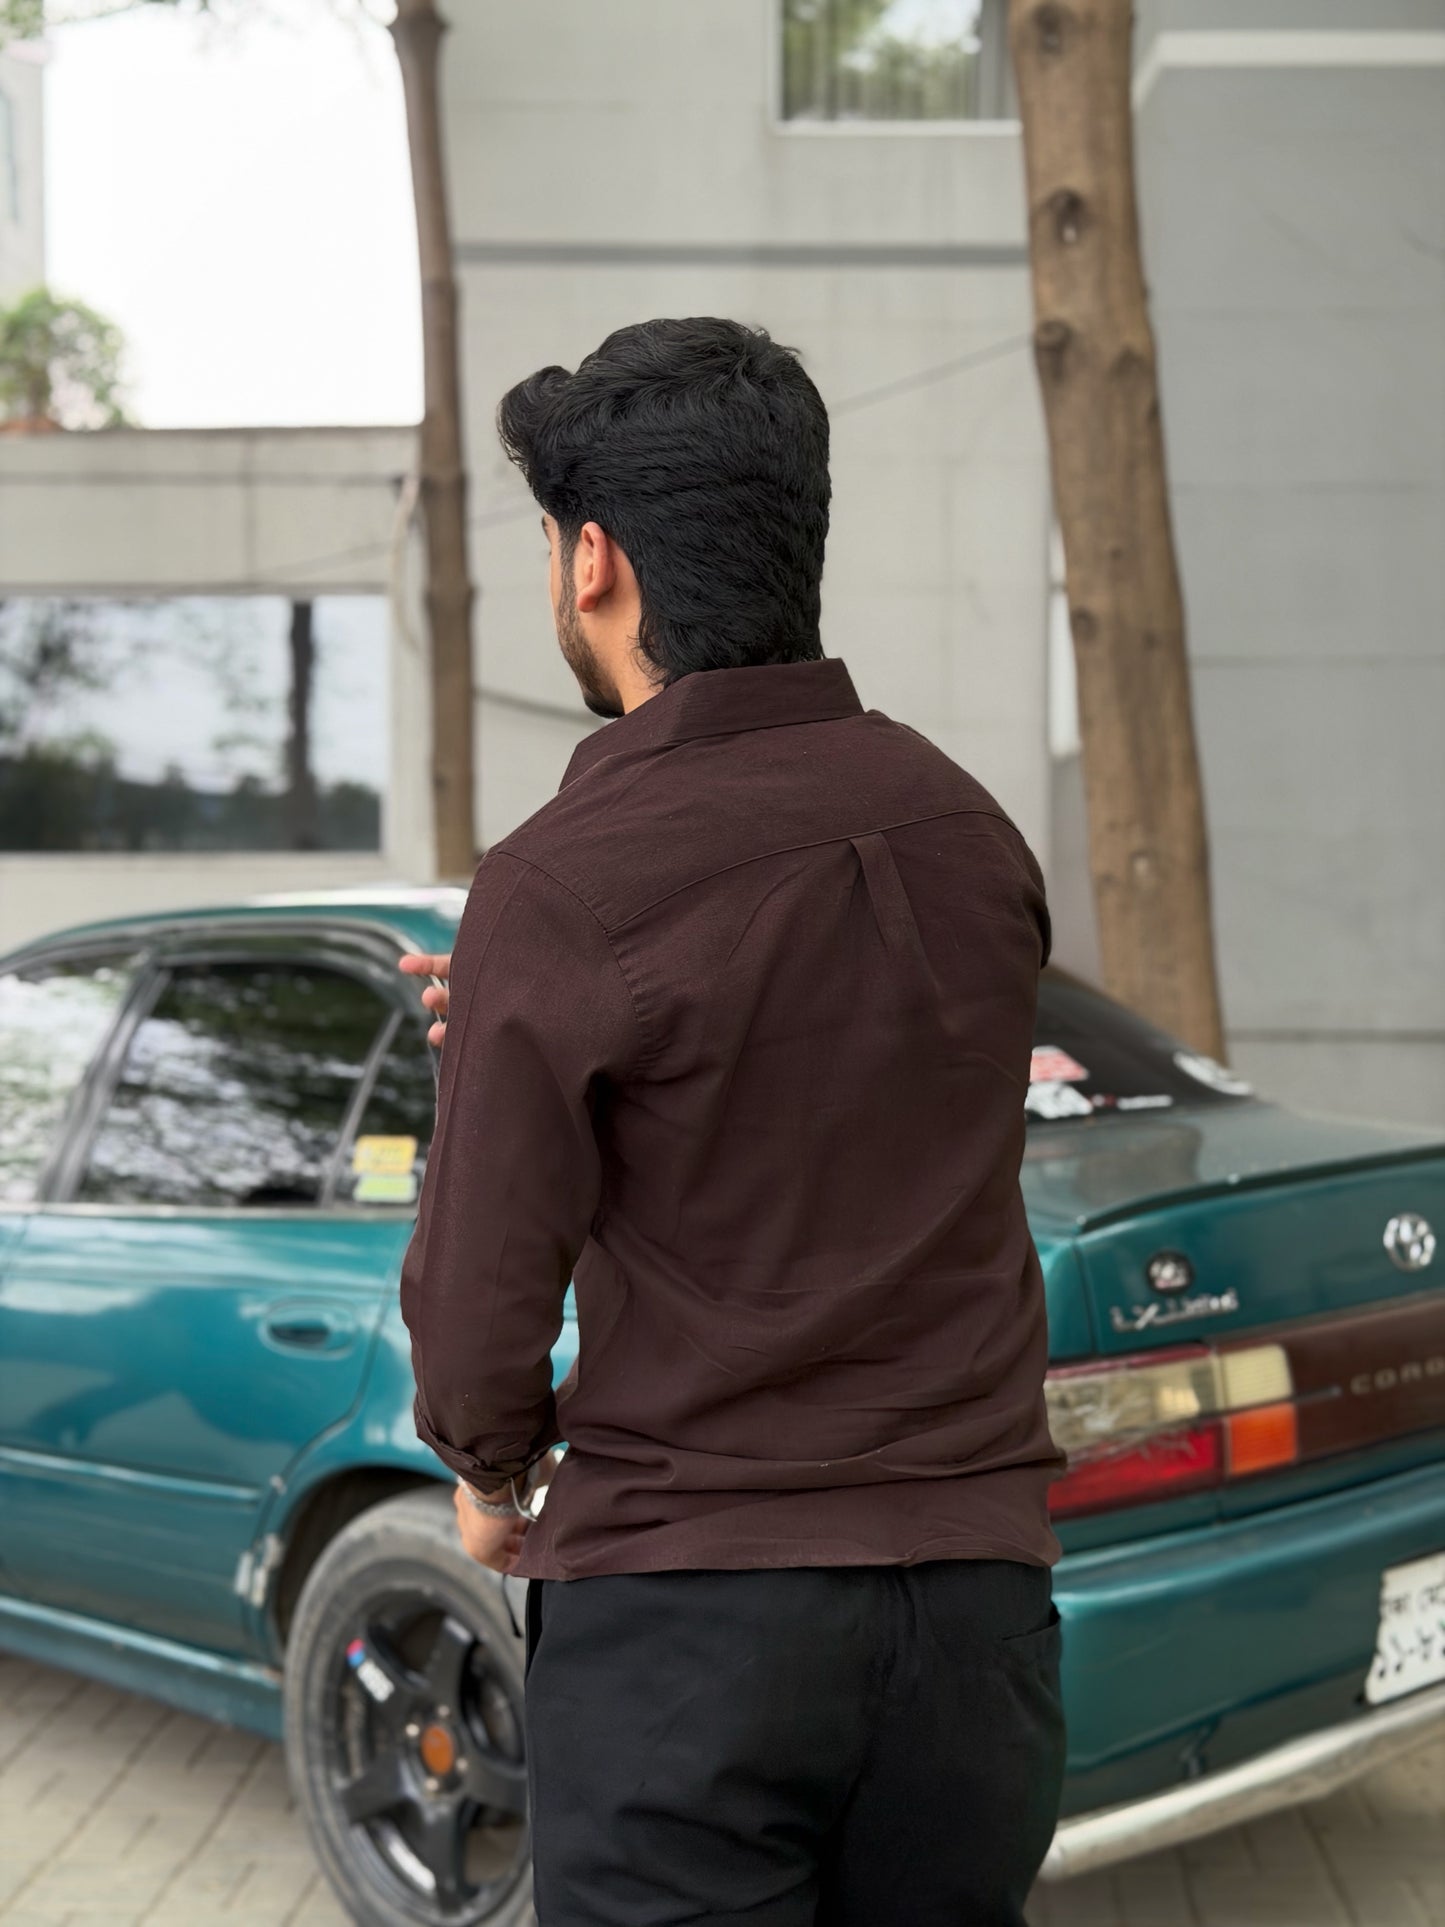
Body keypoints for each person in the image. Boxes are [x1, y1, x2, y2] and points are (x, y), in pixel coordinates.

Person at [399, 317, 1064, 1926]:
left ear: (592, 565)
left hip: (699, 1623)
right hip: (978, 1622)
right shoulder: (966, 829)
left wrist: (490, 1471)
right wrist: (515, 1014)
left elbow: (488, 1283)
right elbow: (833, 1092)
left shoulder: (567, 876)